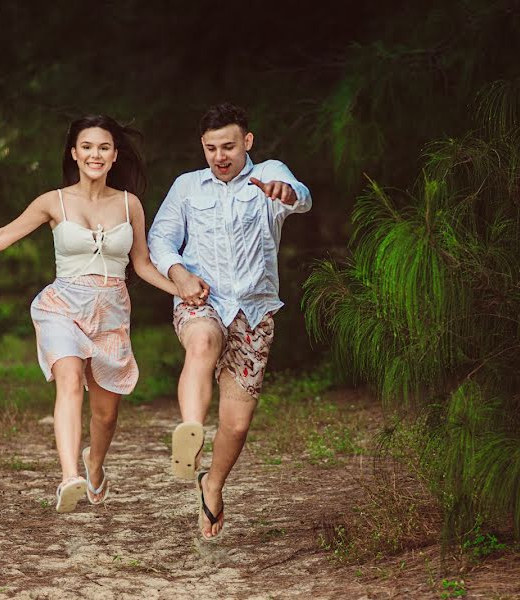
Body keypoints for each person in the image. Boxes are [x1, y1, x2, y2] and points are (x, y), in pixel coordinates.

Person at [0, 115, 180, 513]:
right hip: (62, 307)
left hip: (111, 312)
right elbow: (2, 236)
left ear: (115, 155)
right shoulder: (53, 201)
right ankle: (69, 477)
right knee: (69, 378)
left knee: (106, 416)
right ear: (74, 153)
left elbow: (141, 264)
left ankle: (94, 465)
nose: (95, 154)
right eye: (87, 147)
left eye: (104, 147)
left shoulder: (130, 205)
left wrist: (182, 291)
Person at [148, 103, 311, 539]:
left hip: (255, 311)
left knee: (237, 424)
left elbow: (301, 195)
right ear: (202, 147)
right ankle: (191, 431)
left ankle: (212, 484)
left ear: (247, 142)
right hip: (203, 298)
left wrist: (285, 193)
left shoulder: (269, 174)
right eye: (211, 148)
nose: (220, 156)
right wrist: (179, 274)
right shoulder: (187, 187)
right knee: (202, 341)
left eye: (229, 146)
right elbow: (160, 238)